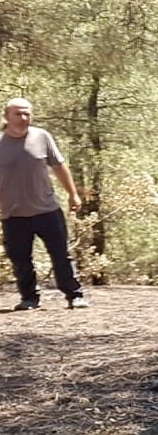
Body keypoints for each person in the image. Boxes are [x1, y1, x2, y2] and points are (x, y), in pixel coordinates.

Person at [1, 98, 89, 310]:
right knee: (20, 259)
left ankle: (74, 295)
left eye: (27, 114)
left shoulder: (41, 136)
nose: (23, 118)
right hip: (13, 213)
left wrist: (73, 194)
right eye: (18, 114)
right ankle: (29, 298)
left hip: (47, 210)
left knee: (61, 255)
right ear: (6, 117)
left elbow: (59, 166)